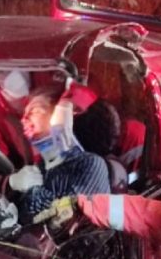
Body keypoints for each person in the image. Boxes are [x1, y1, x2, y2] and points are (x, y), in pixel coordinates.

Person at [11, 87, 109, 223]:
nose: (24, 119)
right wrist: (11, 184)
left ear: (60, 117)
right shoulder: (39, 169)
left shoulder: (91, 165)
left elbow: (67, 220)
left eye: (35, 111)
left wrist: (32, 189)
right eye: (24, 113)